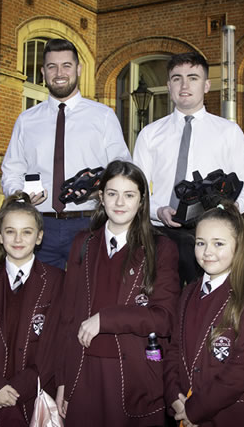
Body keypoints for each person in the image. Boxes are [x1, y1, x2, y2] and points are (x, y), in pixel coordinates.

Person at [55, 160, 180, 427]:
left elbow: (164, 318)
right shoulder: (83, 243)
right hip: (83, 372)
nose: (120, 202)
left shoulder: (161, 248)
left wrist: (106, 319)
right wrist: (63, 380)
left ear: (142, 201)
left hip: (135, 375)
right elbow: (67, 318)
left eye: (129, 194)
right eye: (112, 194)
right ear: (101, 198)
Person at [1, 38, 131, 270]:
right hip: (39, 225)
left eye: (66, 65)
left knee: (86, 299)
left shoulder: (103, 116)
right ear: (43, 72)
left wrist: (97, 191)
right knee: (40, 299)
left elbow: (121, 168)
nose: (59, 73)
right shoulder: (26, 120)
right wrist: (19, 195)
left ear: (78, 69)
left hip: (88, 222)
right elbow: (12, 170)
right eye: (52, 66)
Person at [133, 52, 244, 286]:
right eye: (177, 78)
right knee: (159, 305)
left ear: (207, 85)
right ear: (169, 86)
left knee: (207, 309)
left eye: (193, 77)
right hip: (159, 234)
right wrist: (158, 211)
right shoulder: (150, 134)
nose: (185, 85)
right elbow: (136, 191)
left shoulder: (228, 132)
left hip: (210, 238)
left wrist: (225, 212)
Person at [163, 201, 244, 427]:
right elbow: (173, 350)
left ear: (238, 245)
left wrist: (195, 409)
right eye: (201, 243)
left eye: (219, 244)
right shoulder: (188, 292)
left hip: (232, 416)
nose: (207, 252)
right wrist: (174, 396)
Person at [0, 192, 64, 427]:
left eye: (26, 232)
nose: (18, 239)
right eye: (10, 231)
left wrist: (20, 387)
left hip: (34, 395)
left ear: (39, 237)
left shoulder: (57, 280)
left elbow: (56, 342)